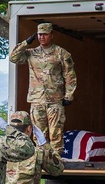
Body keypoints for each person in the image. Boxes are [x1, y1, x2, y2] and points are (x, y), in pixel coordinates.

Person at [8, 22, 77, 153]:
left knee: (56, 133)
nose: (42, 37)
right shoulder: (31, 53)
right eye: (39, 34)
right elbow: (13, 58)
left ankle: (56, 163)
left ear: (51, 35)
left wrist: (69, 95)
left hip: (55, 100)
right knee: (39, 134)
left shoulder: (61, 53)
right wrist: (25, 43)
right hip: (37, 100)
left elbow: (70, 75)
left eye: (45, 34)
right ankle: (42, 162)